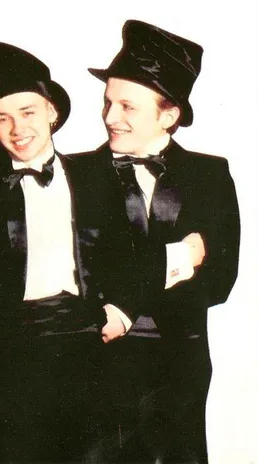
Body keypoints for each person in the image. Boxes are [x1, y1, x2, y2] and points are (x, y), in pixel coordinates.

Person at [0, 41, 139, 462]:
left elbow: (131, 252)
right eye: (2, 119)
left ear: (51, 111)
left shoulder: (97, 175)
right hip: (4, 351)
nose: (17, 129)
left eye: (27, 112)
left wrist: (121, 313)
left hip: (84, 341)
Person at [75, 19, 240, 463]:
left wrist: (135, 284)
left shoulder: (210, 174)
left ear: (168, 115)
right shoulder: (73, 173)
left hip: (180, 367)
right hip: (97, 361)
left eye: (127, 106)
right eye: (108, 102)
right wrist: (179, 257)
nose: (110, 117)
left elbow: (221, 279)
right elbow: (82, 274)